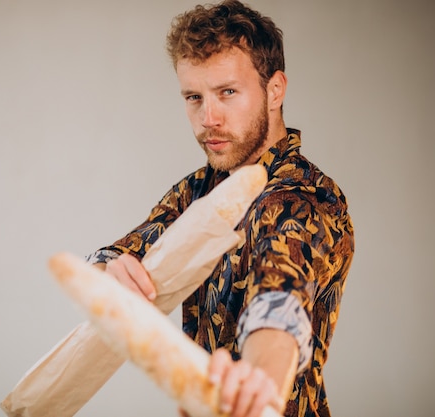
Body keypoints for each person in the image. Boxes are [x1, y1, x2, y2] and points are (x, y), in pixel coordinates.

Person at [85, 1, 354, 416]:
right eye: (194, 97)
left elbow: (280, 301)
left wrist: (259, 378)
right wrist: (110, 274)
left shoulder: (303, 198)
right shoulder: (199, 190)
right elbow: (115, 258)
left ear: (275, 90)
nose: (208, 118)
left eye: (227, 92)